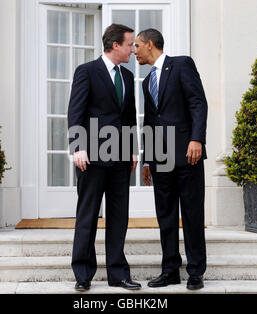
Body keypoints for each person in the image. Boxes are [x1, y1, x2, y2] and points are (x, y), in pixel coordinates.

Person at [67, 24, 141, 292]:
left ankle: (119, 274)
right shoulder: (86, 72)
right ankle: (83, 274)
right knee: (87, 215)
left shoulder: (128, 76)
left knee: (119, 217)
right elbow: (75, 112)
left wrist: (133, 149)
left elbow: (129, 117)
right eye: (130, 45)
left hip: (121, 158)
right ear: (115, 45)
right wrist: (78, 147)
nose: (134, 49)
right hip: (92, 158)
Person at [135, 28, 208, 291]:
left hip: (188, 154)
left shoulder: (181, 64)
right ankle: (170, 271)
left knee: (191, 215)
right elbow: (150, 122)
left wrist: (197, 139)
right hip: (160, 159)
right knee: (165, 216)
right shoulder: (146, 82)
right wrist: (147, 160)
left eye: (137, 46)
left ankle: (196, 272)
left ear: (150, 44)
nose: (134, 51)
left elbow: (198, 103)